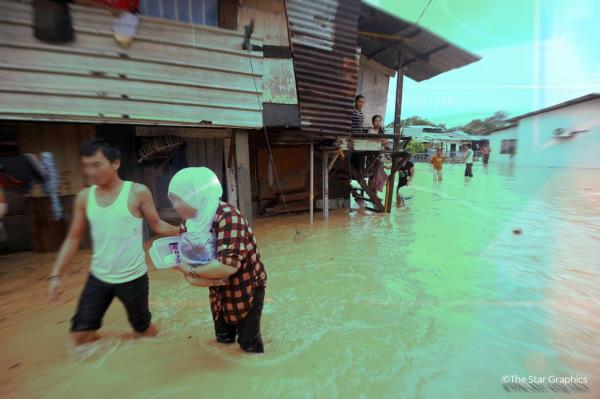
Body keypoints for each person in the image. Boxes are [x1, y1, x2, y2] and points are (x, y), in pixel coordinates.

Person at [48, 139, 179, 346]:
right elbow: (73, 238)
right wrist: (56, 275)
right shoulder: (84, 197)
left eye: (96, 164)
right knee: (80, 336)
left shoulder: (137, 192)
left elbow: (158, 225)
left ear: (115, 163)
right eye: (86, 166)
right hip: (99, 277)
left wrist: (188, 231)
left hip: (133, 278)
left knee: (143, 330)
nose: (90, 172)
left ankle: (167, 347)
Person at [170, 167, 268, 354]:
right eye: (172, 199)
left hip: (246, 285)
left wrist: (189, 271)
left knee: (249, 345)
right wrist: (187, 271)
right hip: (216, 287)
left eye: (178, 199)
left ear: (195, 196)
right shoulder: (187, 225)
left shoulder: (228, 216)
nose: (174, 206)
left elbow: (227, 267)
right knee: (223, 340)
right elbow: (192, 266)